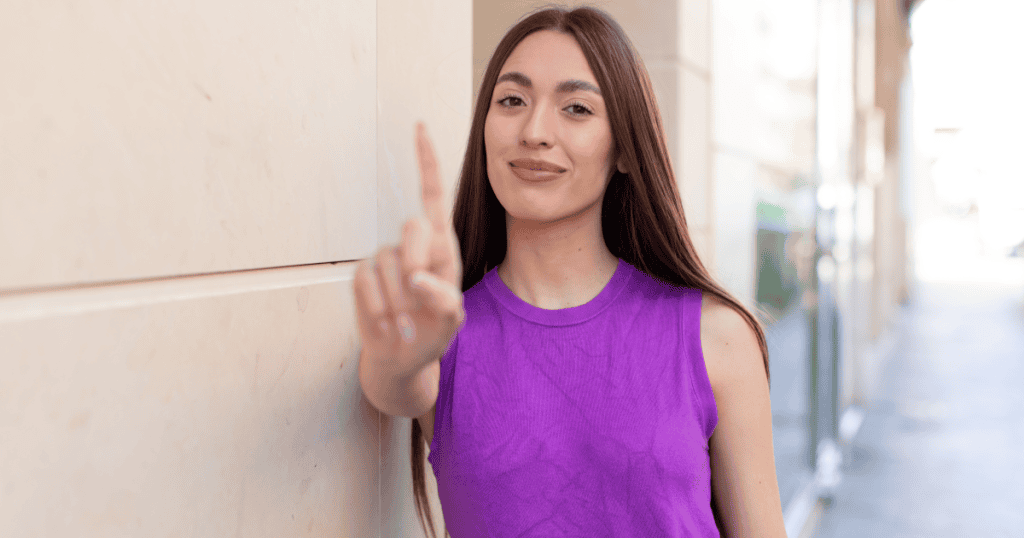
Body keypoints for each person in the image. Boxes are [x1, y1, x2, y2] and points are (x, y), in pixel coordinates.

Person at [355, 5, 785, 537]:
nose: (535, 131)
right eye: (512, 100)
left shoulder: (715, 336)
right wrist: (395, 354)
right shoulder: (445, 338)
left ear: (625, 148)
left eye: (577, 108)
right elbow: (392, 384)